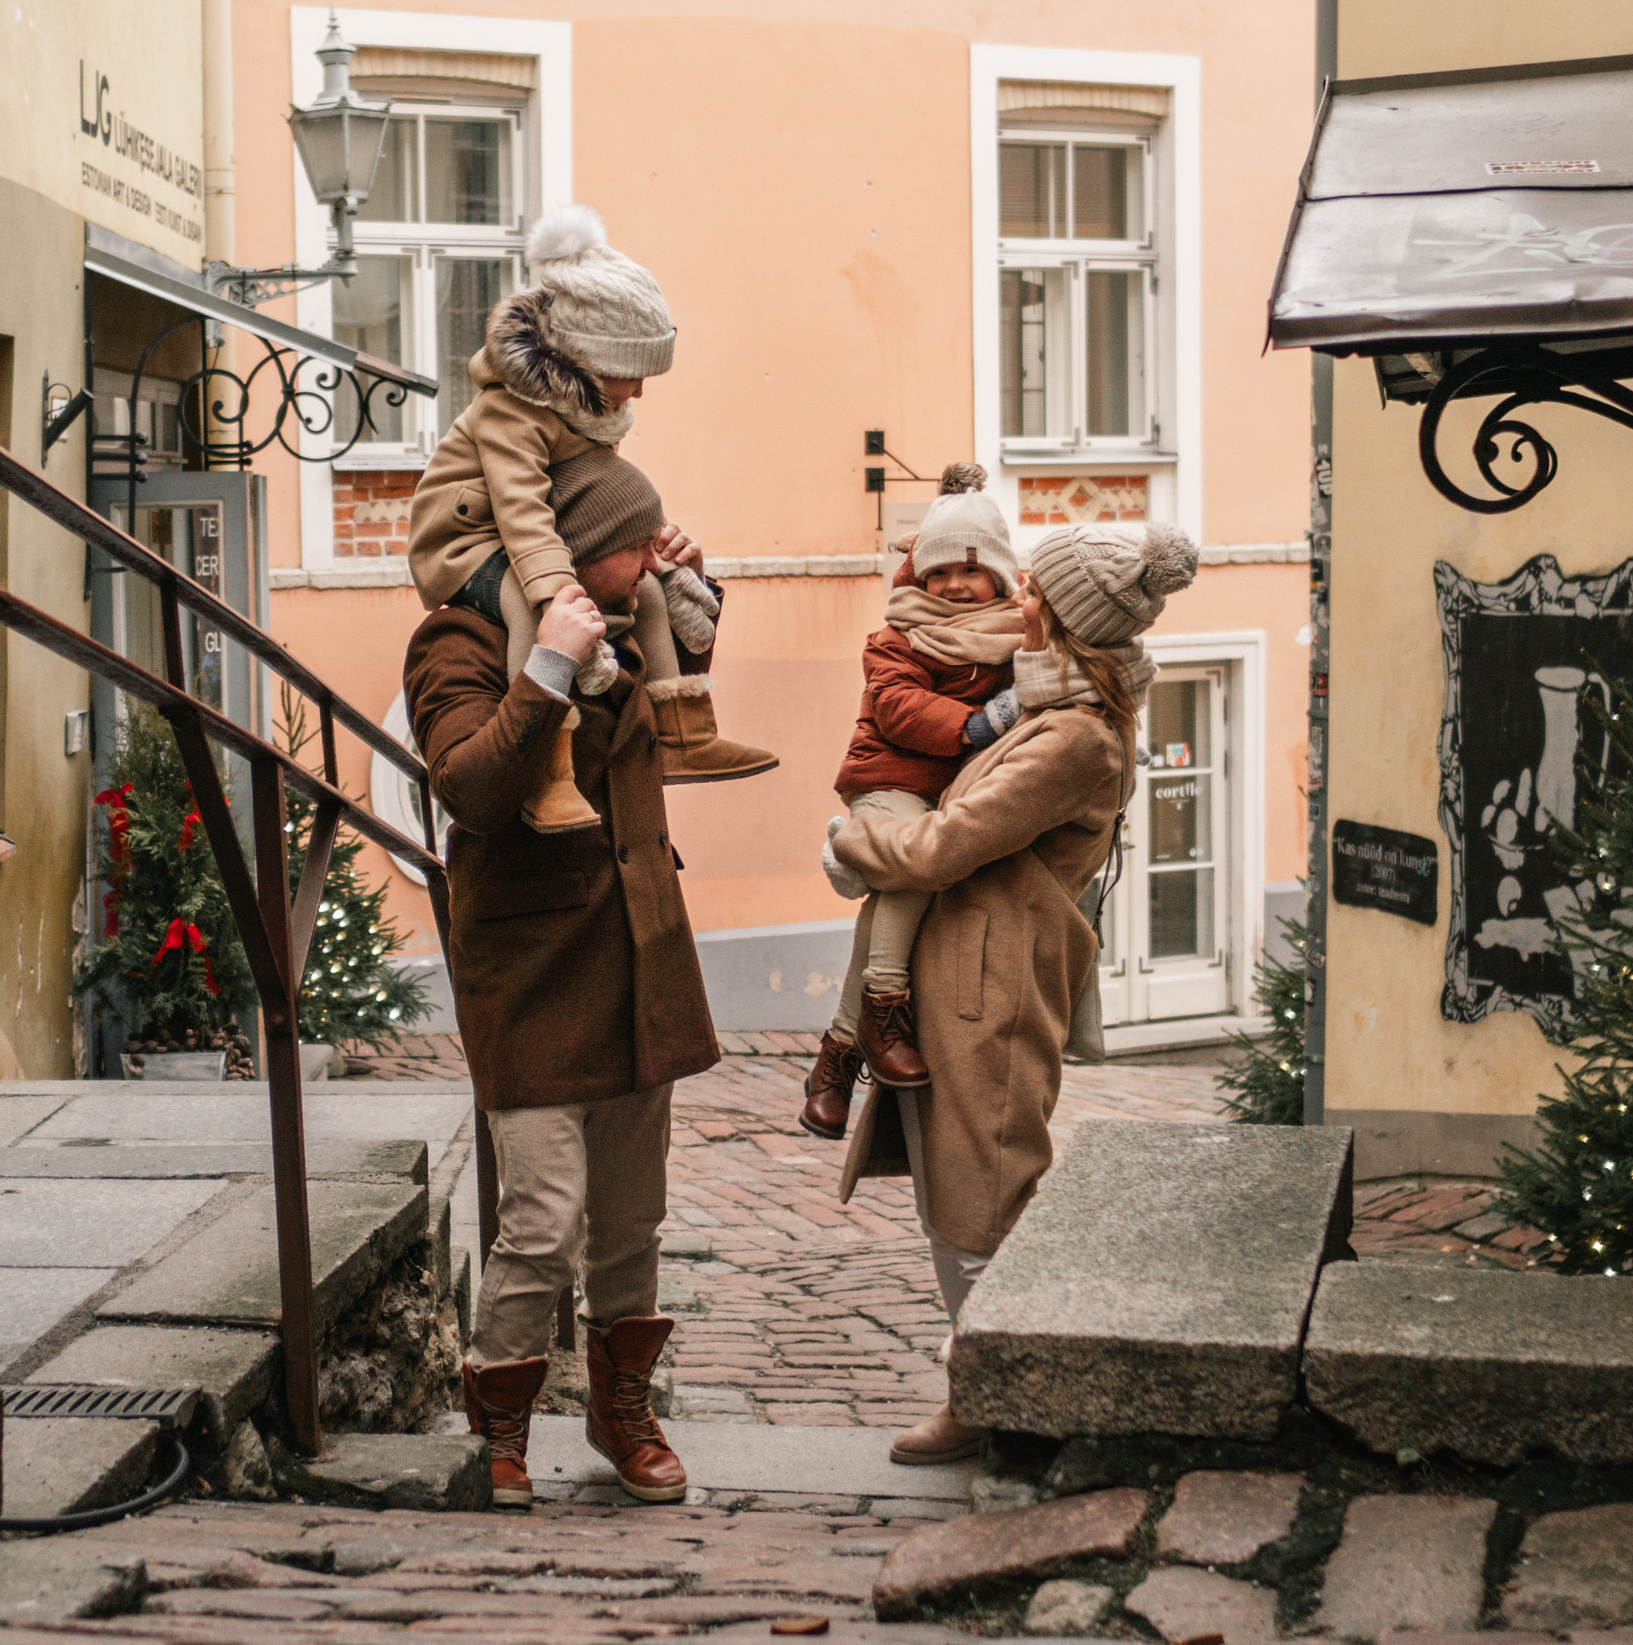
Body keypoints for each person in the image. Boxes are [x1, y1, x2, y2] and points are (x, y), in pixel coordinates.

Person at [825, 523, 1199, 1463]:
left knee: (986, 1197)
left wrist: (845, 842)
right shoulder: (1048, 703)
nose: (1018, 594)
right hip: (959, 972)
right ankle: (987, 1384)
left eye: (1037, 591)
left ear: (1066, 620)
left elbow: (948, 843)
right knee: (956, 1194)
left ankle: (1016, 1398)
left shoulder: (1075, 738)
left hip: (989, 985)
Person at [404, 444, 720, 1509]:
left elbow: (686, 701)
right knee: (540, 1221)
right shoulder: (458, 637)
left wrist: (685, 591)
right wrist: (543, 668)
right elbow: (470, 788)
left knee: (631, 1221)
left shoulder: (634, 631)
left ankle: (620, 1413)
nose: (648, 555)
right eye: (634, 540)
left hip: (638, 955)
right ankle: (499, 1426)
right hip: (532, 970)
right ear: (577, 552)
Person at [407, 203, 772, 839]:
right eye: (630, 373)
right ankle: (550, 776)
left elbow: (595, 498)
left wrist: (662, 557)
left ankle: (685, 731)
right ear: (587, 358)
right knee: (532, 606)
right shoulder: (509, 411)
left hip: (640, 920)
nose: (640, 391)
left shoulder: (586, 405)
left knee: (655, 594)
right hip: (466, 539)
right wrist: (555, 605)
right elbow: (524, 511)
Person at [800, 465, 1024, 1138]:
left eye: (969, 571)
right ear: (919, 578)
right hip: (887, 779)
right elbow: (898, 710)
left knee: (890, 895)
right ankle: (884, 1005)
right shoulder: (899, 633)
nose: (953, 586)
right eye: (938, 574)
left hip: (943, 792)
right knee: (917, 864)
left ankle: (836, 1060)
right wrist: (977, 725)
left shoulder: (1012, 630)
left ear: (999, 575)